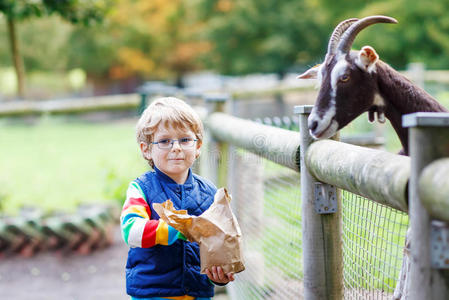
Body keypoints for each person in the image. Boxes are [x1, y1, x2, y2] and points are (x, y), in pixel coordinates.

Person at [120, 97, 234, 300]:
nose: (176, 147)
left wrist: (219, 275)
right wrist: (177, 228)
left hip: (197, 293)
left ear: (198, 146)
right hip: (153, 293)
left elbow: (216, 244)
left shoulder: (209, 192)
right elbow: (131, 231)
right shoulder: (141, 189)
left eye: (184, 140)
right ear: (146, 149)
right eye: (164, 141)